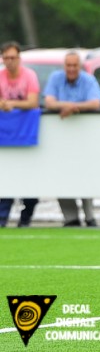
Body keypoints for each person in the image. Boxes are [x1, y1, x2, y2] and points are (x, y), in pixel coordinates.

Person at [44, 51, 100, 227]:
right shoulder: (56, 77)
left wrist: (73, 107)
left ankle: (89, 216)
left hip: (84, 141)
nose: (71, 69)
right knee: (62, 176)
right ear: (64, 66)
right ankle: (70, 218)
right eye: (68, 65)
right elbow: (49, 102)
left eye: (74, 65)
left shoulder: (88, 80)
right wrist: (71, 106)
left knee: (85, 174)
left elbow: (96, 103)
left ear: (80, 66)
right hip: (59, 142)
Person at [0, 41, 40, 227]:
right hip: (6, 137)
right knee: (5, 179)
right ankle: (3, 219)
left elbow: (33, 102)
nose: (10, 61)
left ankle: (25, 218)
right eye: (6, 58)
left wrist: (10, 104)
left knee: (29, 179)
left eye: (13, 57)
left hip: (26, 136)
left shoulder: (29, 76)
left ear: (19, 58)